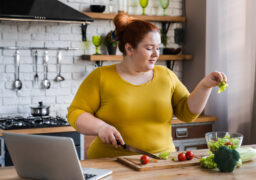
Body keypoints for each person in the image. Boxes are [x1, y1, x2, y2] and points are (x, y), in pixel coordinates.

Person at [67, 13, 227, 159]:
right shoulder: (101, 76)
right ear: (129, 49)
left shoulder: (166, 75)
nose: (156, 54)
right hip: (111, 162)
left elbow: (187, 113)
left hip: (162, 161)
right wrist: (100, 127)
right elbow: (75, 113)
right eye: (150, 48)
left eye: (158, 48)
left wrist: (206, 86)